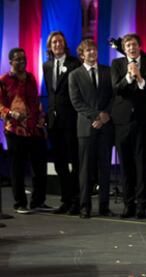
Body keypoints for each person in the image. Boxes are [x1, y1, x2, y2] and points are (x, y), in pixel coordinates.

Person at [111, 33, 146, 219]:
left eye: (134, 44)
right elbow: (116, 89)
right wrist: (129, 77)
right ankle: (128, 204)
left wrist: (139, 78)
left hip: (142, 121)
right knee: (125, 165)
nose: (131, 48)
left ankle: (141, 205)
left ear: (139, 46)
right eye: (127, 45)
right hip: (122, 121)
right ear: (124, 48)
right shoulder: (117, 65)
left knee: (141, 164)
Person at [69, 39, 114, 219]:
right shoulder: (75, 75)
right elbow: (76, 102)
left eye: (94, 49)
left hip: (105, 127)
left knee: (105, 168)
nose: (92, 53)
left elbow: (113, 97)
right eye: (88, 51)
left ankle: (104, 206)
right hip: (86, 128)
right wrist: (96, 116)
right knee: (86, 169)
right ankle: (84, 206)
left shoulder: (107, 72)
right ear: (82, 55)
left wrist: (105, 116)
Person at [0, 48, 50, 213]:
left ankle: (38, 201)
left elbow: (35, 102)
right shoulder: (4, 80)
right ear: (10, 62)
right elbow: (0, 106)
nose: (22, 62)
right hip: (15, 130)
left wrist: (41, 117)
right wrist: (10, 113)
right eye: (17, 59)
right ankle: (20, 203)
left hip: (34, 128)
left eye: (24, 58)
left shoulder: (30, 78)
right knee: (18, 168)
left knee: (40, 167)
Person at [43, 31, 82, 215]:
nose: (57, 44)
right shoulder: (47, 65)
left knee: (74, 161)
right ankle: (65, 199)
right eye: (53, 42)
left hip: (71, 120)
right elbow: (51, 93)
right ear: (50, 46)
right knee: (59, 163)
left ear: (64, 44)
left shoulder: (75, 63)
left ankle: (76, 200)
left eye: (59, 41)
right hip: (54, 121)